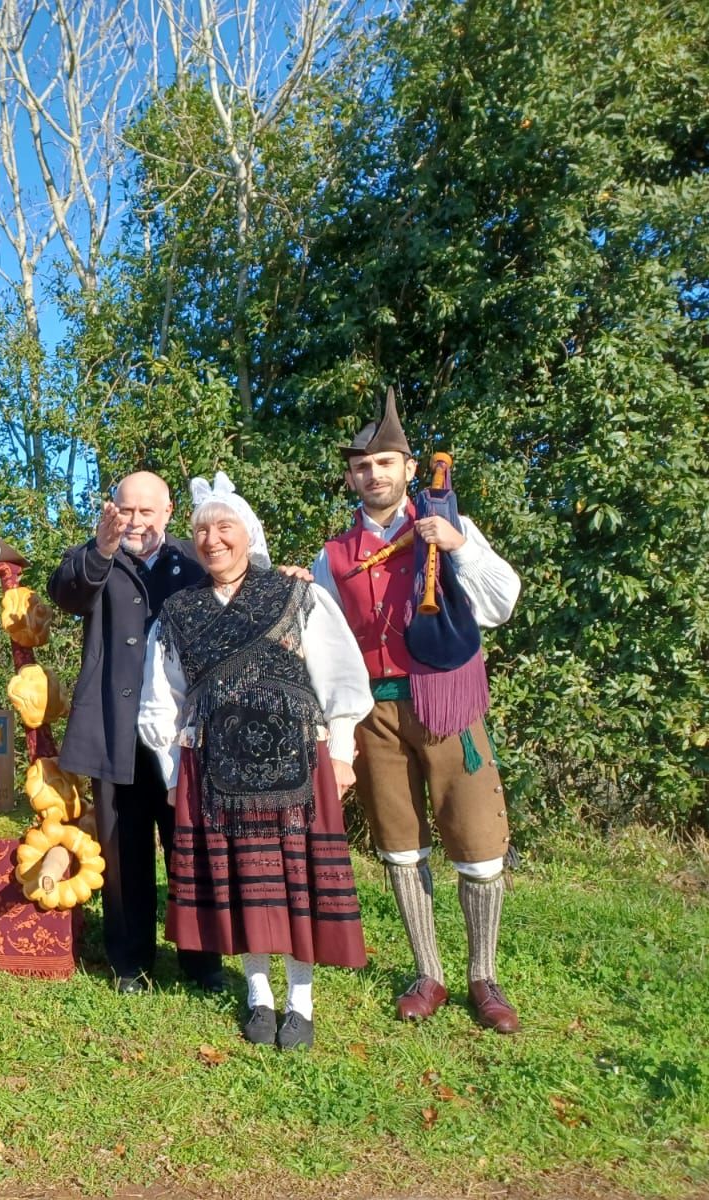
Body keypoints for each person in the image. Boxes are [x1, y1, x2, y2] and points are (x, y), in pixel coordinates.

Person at [311, 392, 523, 1033]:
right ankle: (427, 972)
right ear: (350, 477)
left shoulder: (447, 523)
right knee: (400, 848)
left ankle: (483, 977)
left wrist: (457, 545)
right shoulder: (334, 554)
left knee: (479, 846)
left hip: (447, 705)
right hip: (376, 714)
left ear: (407, 468)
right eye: (360, 466)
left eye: (383, 463)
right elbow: (326, 643)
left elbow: (501, 602)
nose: (372, 475)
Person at [139, 472, 372, 1051]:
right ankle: (259, 997)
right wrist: (172, 775)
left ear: (249, 533)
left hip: (298, 764)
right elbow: (159, 699)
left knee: (296, 883)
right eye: (201, 530)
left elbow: (340, 675)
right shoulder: (179, 613)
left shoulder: (297, 594)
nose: (212, 539)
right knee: (241, 879)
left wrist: (340, 752)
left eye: (225, 527)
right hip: (215, 770)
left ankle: (302, 1001)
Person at [48, 470, 222, 994]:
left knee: (190, 848)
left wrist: (283, 574)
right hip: (114, 729)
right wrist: (100, 551)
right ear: (111, 511)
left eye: (148, 512)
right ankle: (130, 962)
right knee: (123, 851)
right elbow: (65, 595)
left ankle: (201, 960)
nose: (137, 522)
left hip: (183, 733)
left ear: (168, 513)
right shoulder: (95, 557)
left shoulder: (195, 562)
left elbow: (244, 589)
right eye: (127, 511)